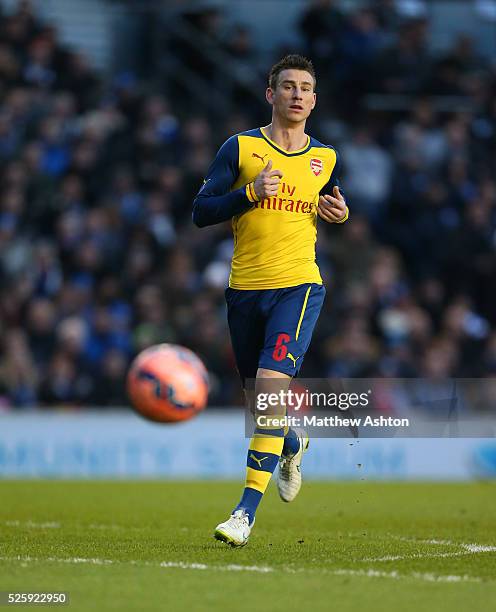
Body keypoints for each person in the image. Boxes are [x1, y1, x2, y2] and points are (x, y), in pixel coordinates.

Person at [192, 54, 348, 546]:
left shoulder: (325, 158)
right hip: (244, 290)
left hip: (299, 286)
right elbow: (201, 211)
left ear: (314, 99)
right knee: (262, 408)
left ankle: (244, 513)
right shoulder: (240, 149)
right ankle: (293, 443)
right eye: (288, 86)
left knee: (269, 393)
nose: (298, 94)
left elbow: (330, 202)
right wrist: (250, 193)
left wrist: (339, 213)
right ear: (271, 95)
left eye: (306, 87)